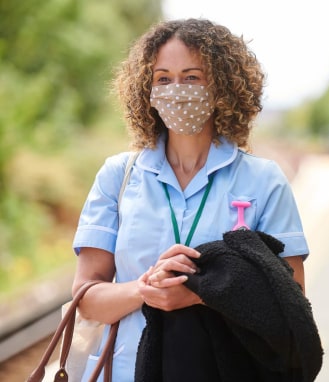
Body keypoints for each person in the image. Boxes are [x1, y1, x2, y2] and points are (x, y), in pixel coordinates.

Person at [71, 18, 311, 381]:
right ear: (146, 91)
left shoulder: (264, 181)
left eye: (192, 77)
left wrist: (201, 293)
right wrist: (145, 289)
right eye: (163, 79)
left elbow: (291, 297)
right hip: (126, 371)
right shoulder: (117, 177)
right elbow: (86, 298)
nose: (177, 90)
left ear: (222, 87)